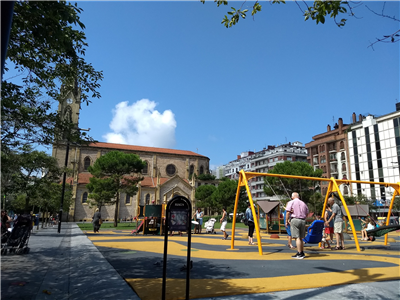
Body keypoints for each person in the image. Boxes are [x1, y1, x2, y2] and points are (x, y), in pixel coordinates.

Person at [285, 192, 309, 259]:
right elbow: (307, 212)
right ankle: (302, 252)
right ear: (298, 197)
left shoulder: (291, 202)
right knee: (301, 237)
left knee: (297, 237)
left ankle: (299, 253)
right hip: (303, 220)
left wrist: (286, 221)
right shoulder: (303, 203)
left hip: (295, 219)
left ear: (292, 197)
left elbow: (287, 212)